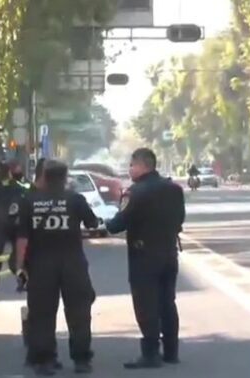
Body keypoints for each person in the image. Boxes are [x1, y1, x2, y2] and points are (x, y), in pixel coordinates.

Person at [15, 160, 99, 376]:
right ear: (64, 178)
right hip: (73, 263)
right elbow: (93, 224)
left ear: (44, 177)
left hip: (41, 264)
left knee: (42, 314)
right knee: (79, 312)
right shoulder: (75, 199)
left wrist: (20, 267)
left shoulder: (29, 201)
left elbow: (22, 239)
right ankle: (81, 359)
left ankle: (45, 361)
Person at [106, 148, 186, 369]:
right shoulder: (174, 189)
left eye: (131, 165)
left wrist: (105, 222)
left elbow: (117, 224)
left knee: (146, 305)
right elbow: (180, 219)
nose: (129, 169)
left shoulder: (135, 192)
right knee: (167, 303)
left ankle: (150, 353)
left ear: (142, 166)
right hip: (169, 253)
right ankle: (171, 351)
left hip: (144, 256)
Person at [0, 160, 27, 292]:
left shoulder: (16, 186)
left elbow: (24, 195)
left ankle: (22, 281)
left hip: (14, 224)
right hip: (1, 225)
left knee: (14, 258)